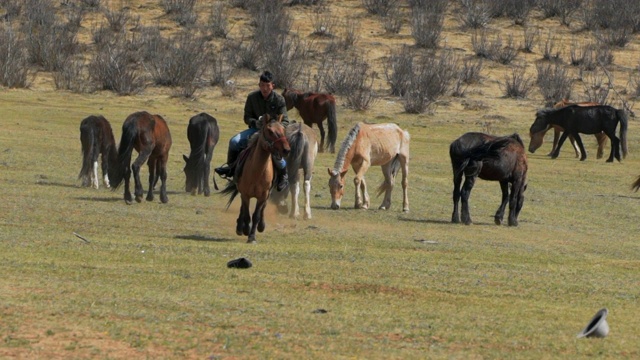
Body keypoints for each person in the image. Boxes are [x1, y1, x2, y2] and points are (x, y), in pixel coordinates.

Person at [215, 70, 290, 191]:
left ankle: (283, 175)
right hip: (255, 129)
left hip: (273, 134)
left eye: (267, 85)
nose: (265, 89)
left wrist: (275, 127)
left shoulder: (279, 99)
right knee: (234, 142)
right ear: (259, 85)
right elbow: (247, 117)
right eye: (262, 85)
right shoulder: (252, 97)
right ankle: (231, 168)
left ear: (273, 86)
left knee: (277, 153)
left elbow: (285, 120)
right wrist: (255, 122)